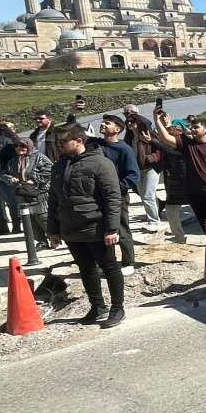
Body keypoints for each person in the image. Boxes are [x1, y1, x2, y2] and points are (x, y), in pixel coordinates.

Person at [47, 123, 127, 328]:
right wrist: (53, 229)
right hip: (71, 228)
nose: (60, 146)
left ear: (79, 141)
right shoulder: (59, 166)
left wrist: (111, 228)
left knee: (109, 267)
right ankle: (97, 306)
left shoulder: (100, 163)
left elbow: (112, 197)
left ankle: (117, 308)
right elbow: (54, 199)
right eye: (58, 142)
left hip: (97, 227)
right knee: (86, 268)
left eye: (63, 142)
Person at [151, 108, 206, 271]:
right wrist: (156, 119)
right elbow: (165, 137)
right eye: (191, 127)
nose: (192, 130)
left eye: (196, 127)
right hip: (197, 196)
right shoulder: (187, 145)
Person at [92, 115, 140, 275]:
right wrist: (73, 114)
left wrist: (116, 189)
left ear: (118, 129)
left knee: (120, 227)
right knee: (101, 230)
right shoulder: (96, 144)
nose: (103, 124)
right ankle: (107, 263)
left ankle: (128, 261)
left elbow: (133, 174)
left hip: (117, 195)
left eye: (107, 123)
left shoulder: (124, 149)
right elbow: (74, 134)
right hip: (97, 196)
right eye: (103, 122)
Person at [3, 138, 53, 246]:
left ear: (29, 146)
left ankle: (53, 239)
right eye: (16, 146)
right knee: (29, 220)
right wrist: (10, 179)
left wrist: (35, 179)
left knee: (44, 218)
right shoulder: (13, 161)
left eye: (22, 146)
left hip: (39, 193)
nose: (19, 148)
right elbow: (5, 174)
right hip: (22, 194)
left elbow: (50, 170)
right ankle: (41, 241)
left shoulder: (39, 157)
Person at [127, 117, 164, 233]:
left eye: (132, 121)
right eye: (127, 122)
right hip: (137, 170)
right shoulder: (129, 138)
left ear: (138, 123)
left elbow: (160, 149)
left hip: (151, 168)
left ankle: (154, 221)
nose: (129, 124)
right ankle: (152, 216)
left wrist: (149, 158)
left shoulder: (148, 135)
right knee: (145, 196)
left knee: (148, 195)